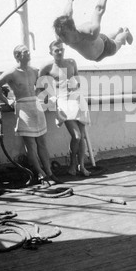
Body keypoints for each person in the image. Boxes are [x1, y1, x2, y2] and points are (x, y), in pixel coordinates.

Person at [0, 44, 61, 188]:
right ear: (17, 56)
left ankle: (49, 172)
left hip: (36, 106)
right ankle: (41, 173)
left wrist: (46, 97)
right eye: (24, 52)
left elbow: (43, 86)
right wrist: (7, 100)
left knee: (42, 143)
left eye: (28, 51)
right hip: (23, 108)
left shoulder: (35, 71)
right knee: (30, 145)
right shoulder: (11, 73)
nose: (28, 53)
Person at [37, 40, 91, 177]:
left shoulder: (72, 62)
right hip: (63, 102)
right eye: (56, 50)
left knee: (82, 136)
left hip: (77, 99)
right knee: (77, 136)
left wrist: (75, 84)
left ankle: (81, 166)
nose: (60, 52)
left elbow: (78, 79)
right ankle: (72, 165)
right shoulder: (47, 67)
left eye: (61, 49)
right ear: (51, 52)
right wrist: (48, 98)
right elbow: (38, 86)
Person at [53, 0, 133, 62]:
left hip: (105, 48)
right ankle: (117, 32)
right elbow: (66, 14)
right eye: (60, 35)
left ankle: (125, 32)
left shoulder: (90, 31)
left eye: (64, 35)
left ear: (73, 29)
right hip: (96, 42)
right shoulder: (61, 35)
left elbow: (98, 10)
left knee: (117, 43)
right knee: (101, 38)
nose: (62, 39)